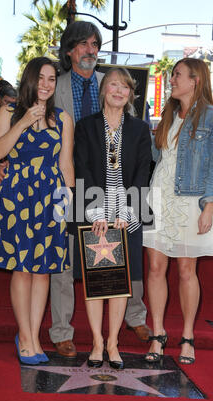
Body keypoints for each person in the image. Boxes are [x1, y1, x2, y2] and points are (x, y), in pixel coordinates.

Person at [49, 21, 151, 359]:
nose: (91, 50)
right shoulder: (56, 86)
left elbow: (135, 158)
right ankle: (63, 331)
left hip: (117, 191)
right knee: (67, 260)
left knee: (125, 259)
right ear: (69, 50)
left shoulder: (110, 83)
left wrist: (125, 206)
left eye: (95, 44)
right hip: (65, 182)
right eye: (83, 45)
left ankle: (132, 318)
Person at [143, 58, 213, 365]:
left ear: (195, 80)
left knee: (186, 270)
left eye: (177, 75)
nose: (172, 79)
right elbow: (156, 159)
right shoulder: (165, 115)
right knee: (155, 268)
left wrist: (208, 207)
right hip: (158, 198)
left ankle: (188, 336)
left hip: (190, 202)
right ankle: (157, 334)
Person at [0, 57, 74, 365]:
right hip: (18, 196)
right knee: (22, 269)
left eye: (52, 79)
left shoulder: (64, 118)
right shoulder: (9, 112)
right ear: (29, 78)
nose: (46, 84)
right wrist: (25, 121)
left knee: (43, 271)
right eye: (41, 77)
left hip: (51, 199)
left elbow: (66, 164)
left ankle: (35, 336)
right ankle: (24, 336)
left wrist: (68, 206)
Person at [74, 67, 152, 369]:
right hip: (95, 212)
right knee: (98, 282)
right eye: (113, 85)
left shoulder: (139, 129)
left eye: (125, 87)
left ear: (130, 94)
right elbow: (82, 167)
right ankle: (96, 343)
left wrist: (125, 211)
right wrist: (98, 212)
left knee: (120, 283)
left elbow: (143, 171)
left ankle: (113, 343)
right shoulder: (86, 126)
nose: (119, 91)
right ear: (103, 90)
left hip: (128, 213)